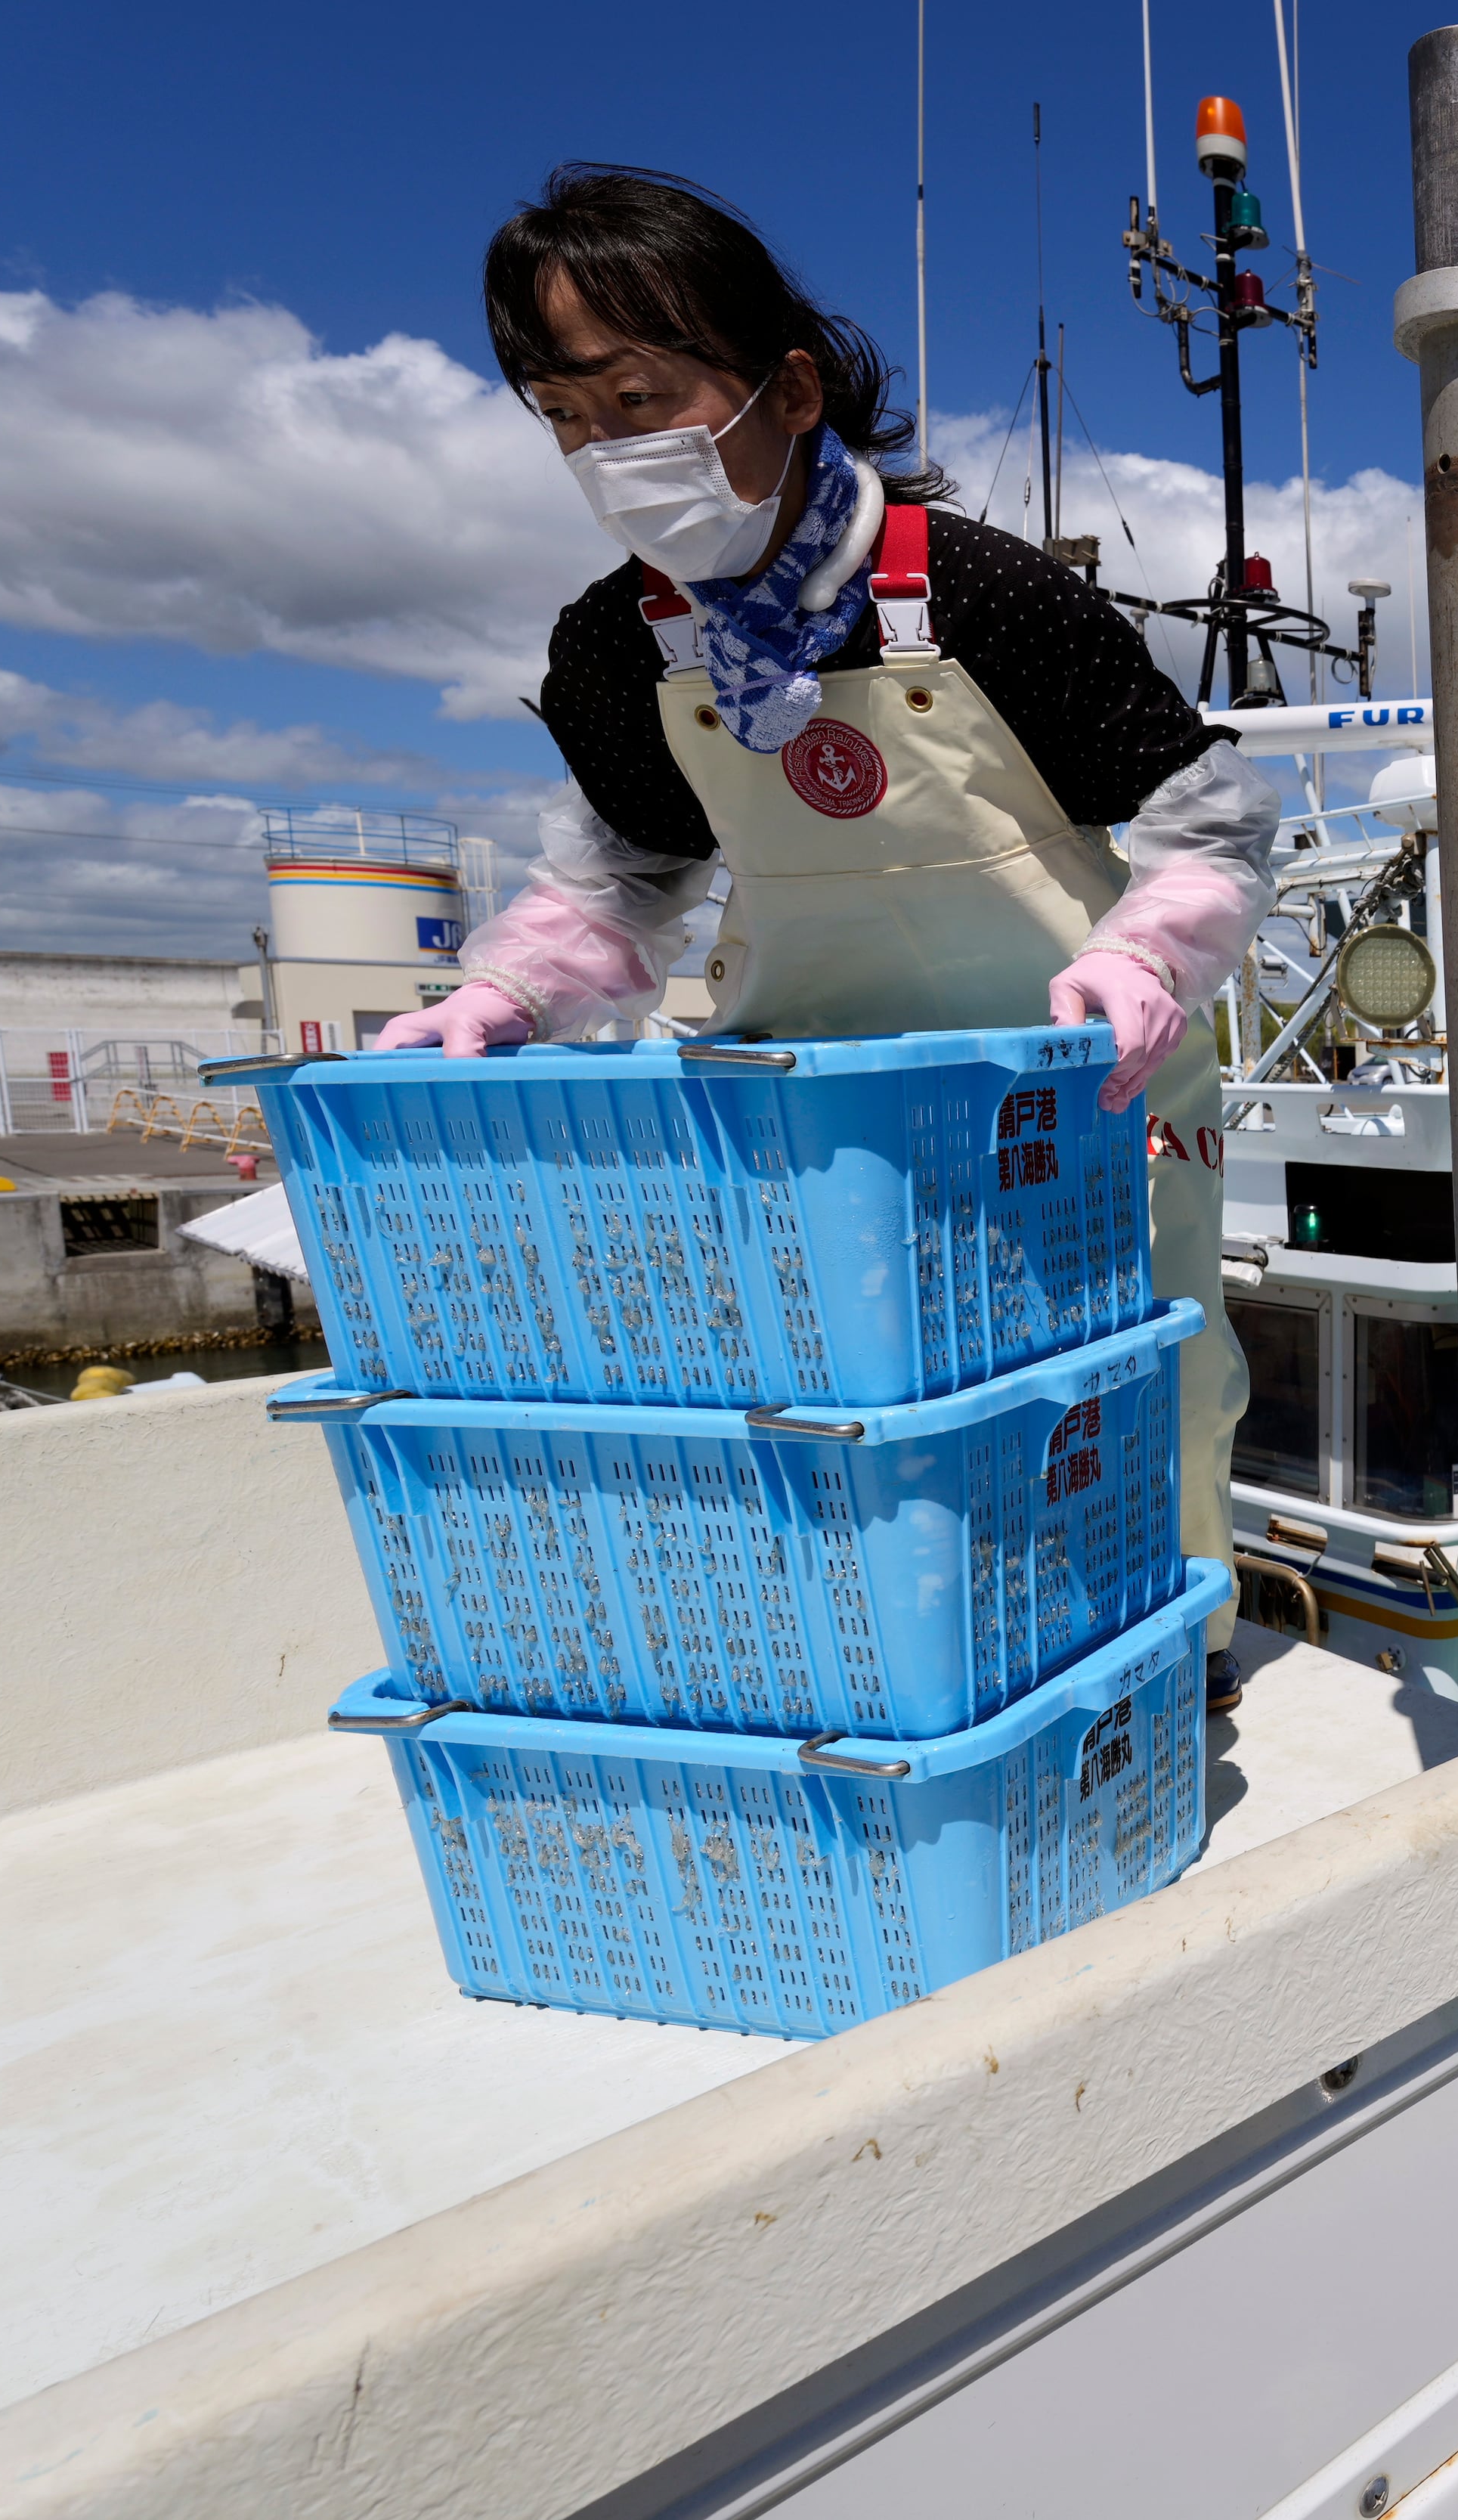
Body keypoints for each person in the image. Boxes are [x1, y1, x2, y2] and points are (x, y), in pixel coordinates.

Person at [382, 167, 1264, 1709]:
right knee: (831, 1414)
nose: (603, 452)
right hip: (810, 1108)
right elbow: (623, 866)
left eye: (637, 397)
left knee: (1136, 1390)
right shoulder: (615, 641)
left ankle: (1165, 1670)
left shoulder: (980, 591)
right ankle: (888, 1681)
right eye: (563, 418)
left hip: (1088, 1096)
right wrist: (509, 990)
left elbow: (1211, 818)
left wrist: (1145, 959)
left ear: (787, 388)